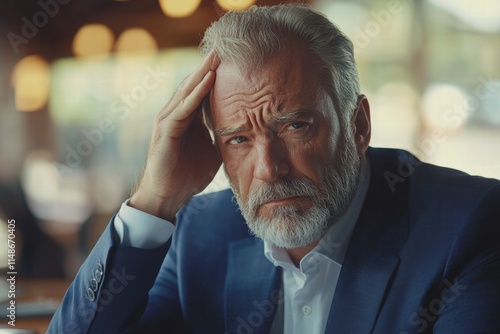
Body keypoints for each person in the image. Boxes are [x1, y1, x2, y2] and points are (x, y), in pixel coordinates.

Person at [48, 3, 500, 334]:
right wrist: (155, 200)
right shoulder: (201, 232)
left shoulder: (469, 224)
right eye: (238, 140)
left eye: (296, 126)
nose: (269, 169)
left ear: (358, 125)